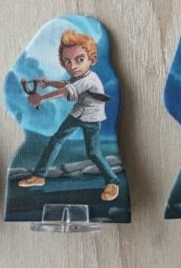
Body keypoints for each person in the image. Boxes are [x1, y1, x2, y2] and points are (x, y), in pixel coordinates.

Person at [17, 30, 120, 202]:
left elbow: (65, 90)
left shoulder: (89, 79)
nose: (73, 66)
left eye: (79, 59)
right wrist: (48, 83)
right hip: (78, 113)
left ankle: (112, 181)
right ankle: (39, 175)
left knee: (93, 152)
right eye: (68, 62)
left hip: (91, 119)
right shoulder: (80, 75)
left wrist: (41, 98)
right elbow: (66, 83)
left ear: (92, 60)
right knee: (56, 139)